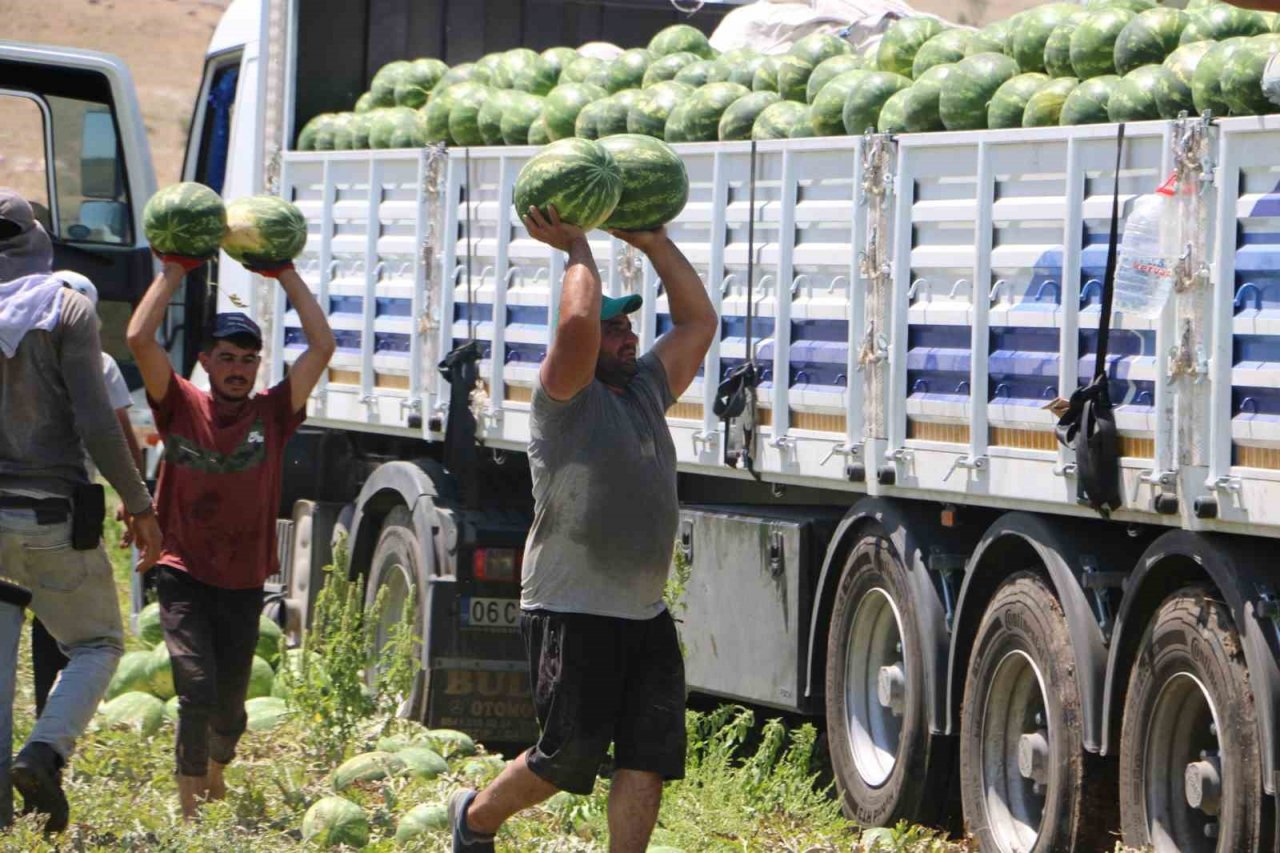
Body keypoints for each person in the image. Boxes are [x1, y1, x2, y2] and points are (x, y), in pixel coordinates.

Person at [448, 205, 718, 853]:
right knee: (565, 758)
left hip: (644, 614)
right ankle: (474, 819)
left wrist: (655, 243)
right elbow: (574, 324)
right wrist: (576, 246)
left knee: (647, 758)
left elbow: (699, 322)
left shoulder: (645, 389)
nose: (627, 338)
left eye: (628, 327)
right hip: (572, 608)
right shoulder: (564, 397)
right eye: (612, 329)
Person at [127, 251, 335, 818]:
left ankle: (217, 768)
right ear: (205, 361)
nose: (238, 368)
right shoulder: (178, 405)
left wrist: (285, 274)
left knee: (230, 708)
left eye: (248, 359)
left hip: (243, 579)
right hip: (182, 570)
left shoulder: (274, 413)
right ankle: (190, 810)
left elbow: (322, 347)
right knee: (195, 688)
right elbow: (139, 338)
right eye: (226, 358)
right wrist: (174, 270)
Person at [0, 188, 163, 832]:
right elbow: (97, 423)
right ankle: (44, 752)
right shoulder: (66, 307)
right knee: (96, 642)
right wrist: (139, 504)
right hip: (50, 516)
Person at [30, 271, 147, 719]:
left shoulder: (15, 349)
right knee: (68, 620)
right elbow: (118, 435)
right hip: (68, 508)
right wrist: (136, 500)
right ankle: (50, 722)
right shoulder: (100, 364)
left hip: (16, 500)